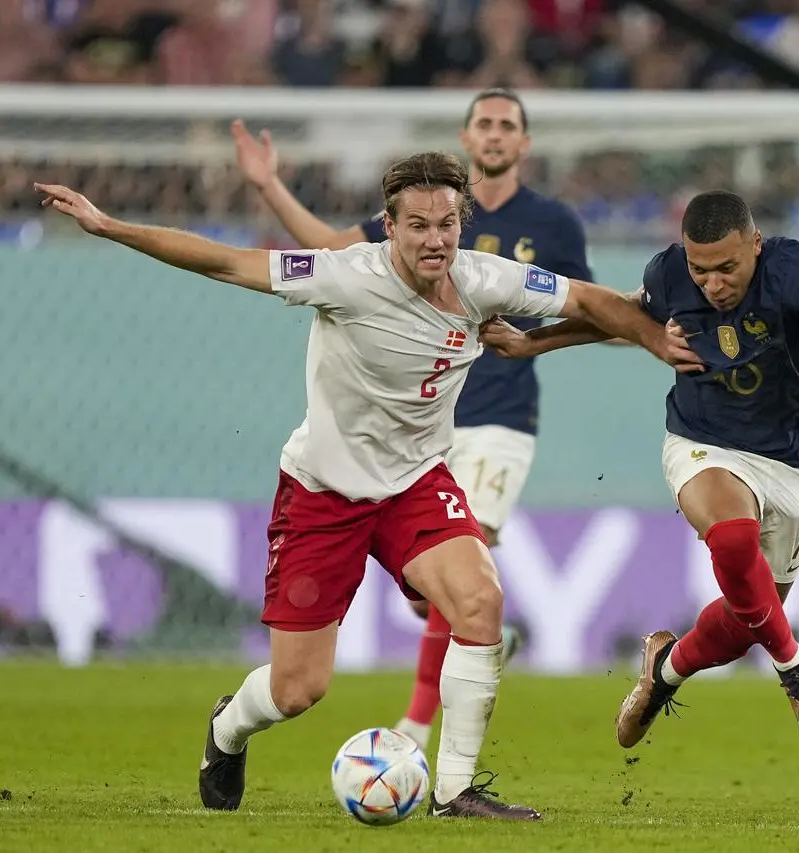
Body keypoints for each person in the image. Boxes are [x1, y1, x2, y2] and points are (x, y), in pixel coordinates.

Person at [33, 151, 700, 820]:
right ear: (389, 225)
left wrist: (653, 342)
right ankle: (228, 726)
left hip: (414, 483)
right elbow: (224, 261)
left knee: (479, 602)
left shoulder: (486, 280)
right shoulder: (342, 276)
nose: (434, 239)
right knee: (298, 688)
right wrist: (110, 225)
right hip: (322, 493)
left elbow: (587, 299)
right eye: (417, 225)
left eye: (447, 223)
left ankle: (454, 790)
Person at [481, 189, 799, 751]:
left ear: (755, 245)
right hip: (704, 443)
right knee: (733, 536)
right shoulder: (671, 273)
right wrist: (533, 343)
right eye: (700, 270)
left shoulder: (791, 270)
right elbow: (620, 315)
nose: (712, 284)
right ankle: (798, 672)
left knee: (748, 620)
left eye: (727, 268)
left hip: (793, 461)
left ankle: (665, 670)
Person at [231, 88, 596, 752]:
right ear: (465, 135)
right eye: (483, 123)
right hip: (403, 429)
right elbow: (334, 251)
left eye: (506, 125)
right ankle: (456, 646)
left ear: (523, 144)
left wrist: (537, 341)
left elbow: (591, 310)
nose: (493, 134)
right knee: (426, 607)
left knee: (473, 571)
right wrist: (270, 187)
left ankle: (418, 722)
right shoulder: (424, 214)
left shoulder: (552, 224)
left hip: (496, 417)